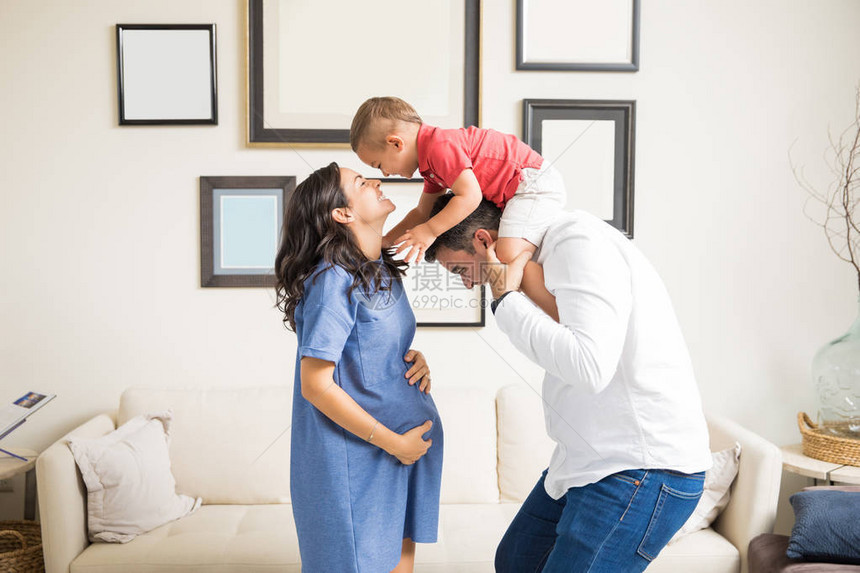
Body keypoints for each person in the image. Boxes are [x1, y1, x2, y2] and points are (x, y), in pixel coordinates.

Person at [424, 195, 713, 573]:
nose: (465, 284)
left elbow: (589, 368)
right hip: (584, 463)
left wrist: (505, 299)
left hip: (640, 467)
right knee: (516, 561)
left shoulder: (578, 243)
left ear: (482, 241)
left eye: (460, 270)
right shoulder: (543, 261)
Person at [274, 163, 443, 573]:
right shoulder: (331, 279)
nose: (377, 182)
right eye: (361, 183)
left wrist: (411, 357)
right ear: (342, 213)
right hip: (359, 460)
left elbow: (369, 349)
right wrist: (393, 443)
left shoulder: (381, 270)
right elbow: (315, 386)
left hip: (400, 457)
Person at [350, 96, 565, 321]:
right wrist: (385, 240)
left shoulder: (439, 147)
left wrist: (430, 231)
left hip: (531, 183)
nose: (384, 174)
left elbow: (470, 196)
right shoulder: (431, 163)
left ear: (396, 143)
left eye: (379, 165)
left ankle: (562, 316)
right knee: (507, 260)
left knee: (508, 256)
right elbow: (422, 213)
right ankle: (553, 309)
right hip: (520, 190)